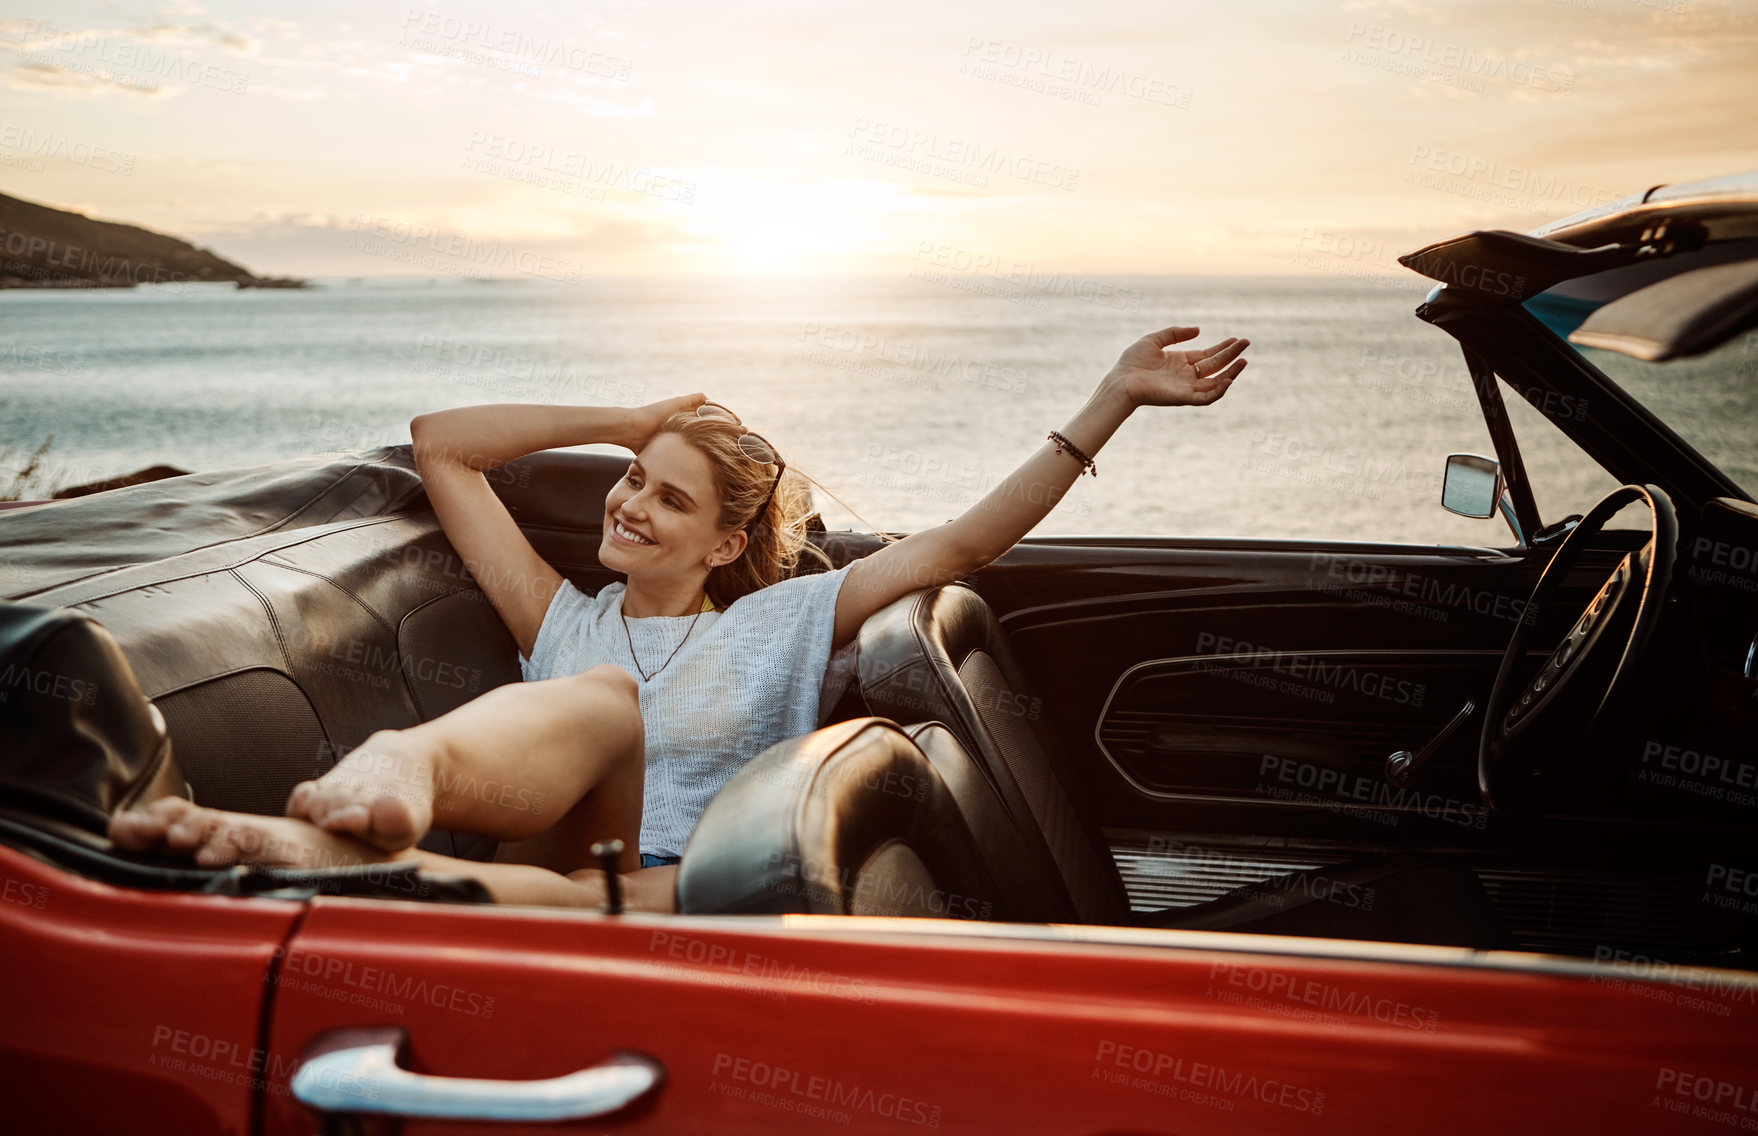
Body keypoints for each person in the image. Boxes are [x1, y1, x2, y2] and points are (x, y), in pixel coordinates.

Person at [107, 325, 1249, 913]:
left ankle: (293, 852)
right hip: (537, 832)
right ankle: (395, 769)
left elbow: (961, 544)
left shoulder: (789, 619)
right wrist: (634, 415)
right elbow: (439, 441)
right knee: (600, 695)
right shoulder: (559, 612)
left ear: (723, 544)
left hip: (667, 891)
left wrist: (1110, 400)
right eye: (631, 477)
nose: (631, 501)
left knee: (570, 880)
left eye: (669, 495)